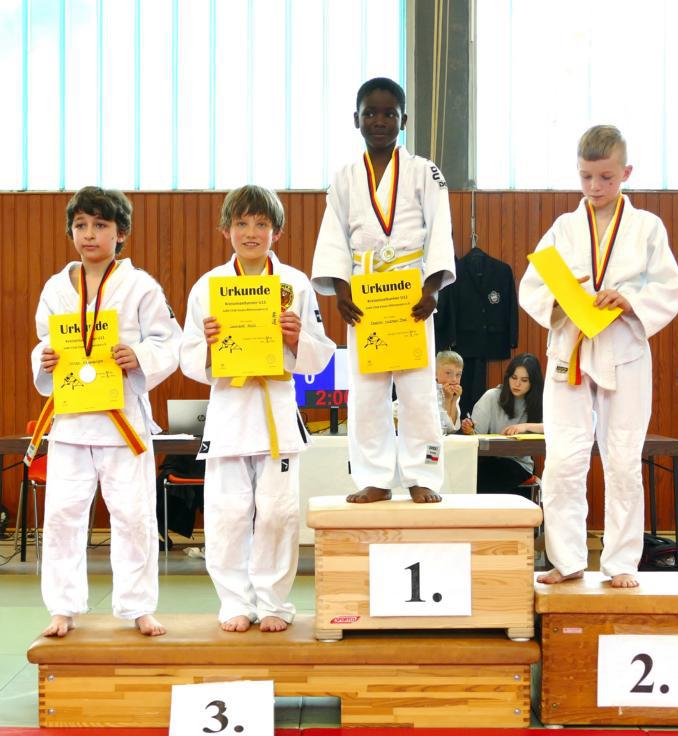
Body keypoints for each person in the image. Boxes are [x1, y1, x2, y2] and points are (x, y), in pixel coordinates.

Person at [519, 125, 678, 589]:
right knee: (564, 460)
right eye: (586, 176)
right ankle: (566, 559)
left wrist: (631, 301)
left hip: (623, 350)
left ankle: (622, 562)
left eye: (606, 177)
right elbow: (532, 286)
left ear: (626, 172)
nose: (595, 187)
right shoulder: (563, 228)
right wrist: (559, 303)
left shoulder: (647, 227)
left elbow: (669, 288)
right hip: (570, 350)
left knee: (624, 460)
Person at [180, 186, 335, 632]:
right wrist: (210, 347)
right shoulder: (208, 287)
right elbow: (187, 355)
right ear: (225, 230)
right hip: (230, 413)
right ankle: (233, 602)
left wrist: (296, 338)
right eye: (242, 223)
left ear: (277, 233)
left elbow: (321, 356)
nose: (251, 232)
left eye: (261, 224)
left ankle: (272, 602)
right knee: (227, 513)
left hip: (276, 413)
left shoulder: (295, 285)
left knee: (278, 512)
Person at [30, 186, 182, 637]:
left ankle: (139, 607)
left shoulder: (141, 286)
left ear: (121, 234)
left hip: (122, 423)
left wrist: (140, 356)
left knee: (134, 516)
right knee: (62, 515)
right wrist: (44, 358)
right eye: (81, 225)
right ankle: (62, 607)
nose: (89, 234)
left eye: (100, 225)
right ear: (71, 232)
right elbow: (44, 340)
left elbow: (168, 342)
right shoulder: (56, 288)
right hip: (72, 421)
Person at [311, 77, 455, 504]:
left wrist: (433, 289)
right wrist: (341, 292)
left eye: (389, 113)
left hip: (412, 294)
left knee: (417, 391)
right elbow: (334, 238)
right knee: (368, 392)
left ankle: (421, 473)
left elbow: (440, 229)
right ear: (356, 119)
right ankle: (374, 476)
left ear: (403, 120)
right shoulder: (344, 178)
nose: (379, 120)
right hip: (366, 296)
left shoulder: (424, 171)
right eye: (370, 113)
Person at [460, 353, 543, 496]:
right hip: (487, 459)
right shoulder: (492, 396)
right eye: (514, 378)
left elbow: (555, 427)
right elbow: (475, 435)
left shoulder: (539, 402)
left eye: (524, 380)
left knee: (489, 474)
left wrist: (525, 426)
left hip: (518, 464)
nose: (517, 384)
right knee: (469, 471)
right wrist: (469, 430)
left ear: (533, 383)